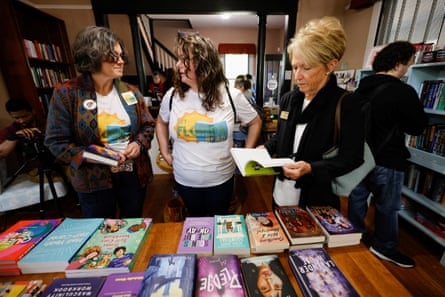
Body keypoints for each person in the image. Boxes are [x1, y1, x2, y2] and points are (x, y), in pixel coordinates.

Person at [44, 26, 156, 219]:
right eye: (114, 56)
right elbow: (56, 142)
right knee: (100, 229)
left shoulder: (130, 91)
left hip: (133, 174)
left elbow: (148, 125)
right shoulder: (68, 92)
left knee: (134, 224)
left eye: (121, 56)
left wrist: (138, 143)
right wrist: (92, 155)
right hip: (92, 179)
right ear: (92, 57)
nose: (121, 61)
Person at [261, 16, 364, 210]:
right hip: (280, 194)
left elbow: (352, 158)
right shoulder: (289, 99)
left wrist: (311, 168)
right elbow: (282, 139)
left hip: (316, 200)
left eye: (306, 68)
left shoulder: (346, 103)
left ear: (330, 66)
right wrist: (264, 148)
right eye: (295, 66)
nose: (297, 76)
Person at [156, 32, 262, 217]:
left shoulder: (231, 95)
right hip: (184, 180)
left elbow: (255, 122)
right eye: (178, 59)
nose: (178, 65)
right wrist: (164, 151)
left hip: (221, 180)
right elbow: (160, 122)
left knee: (220, 222)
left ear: (203, 63)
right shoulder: (172, 96)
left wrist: (246, 152)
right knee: (196, 222)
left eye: (184, 59)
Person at [348, 41, 428, 268]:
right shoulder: (403, 91)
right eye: (409, 63)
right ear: (399, 63)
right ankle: (384, 247)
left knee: (357, 199)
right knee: (388, 206)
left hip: (359, 157)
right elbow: (418, 127)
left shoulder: (361, 88)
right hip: (388, 158)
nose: (408, 68)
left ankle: (353, 237)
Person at [0, 98, 43, 171]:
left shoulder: (46, 123)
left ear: (33, 111)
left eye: (25, 116)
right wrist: (14, 137)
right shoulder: (10, 130)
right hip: (35, 170)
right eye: (17, 118)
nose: (22, 121)